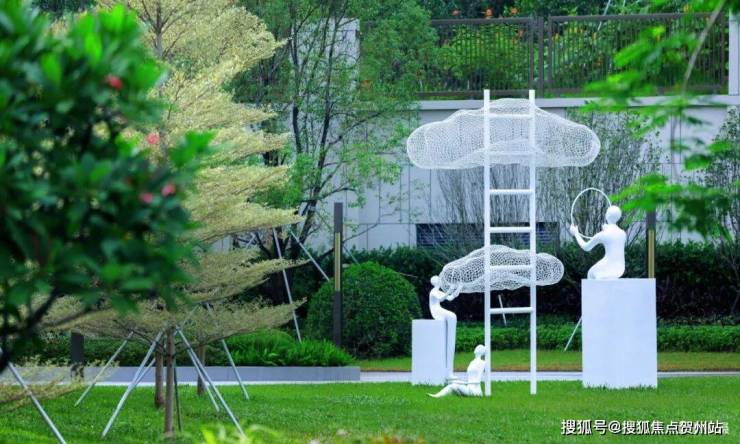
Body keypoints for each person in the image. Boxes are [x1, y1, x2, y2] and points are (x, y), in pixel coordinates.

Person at [569, 205, 626, 279]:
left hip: (608, 266)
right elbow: (614, 240)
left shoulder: (603, 234)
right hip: (620, 269)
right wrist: (607, 228)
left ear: (607, 215)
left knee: (591, 274)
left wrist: (576, 233)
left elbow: (586, 247)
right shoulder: (623, 234)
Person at [429, 275, 460, 381]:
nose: (441, 281)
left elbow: (450, 298)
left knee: (453, 316)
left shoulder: (438, 291)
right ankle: (449, 372)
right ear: (435, 282)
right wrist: (450, 289)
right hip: (436, 312)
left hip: (439, 310)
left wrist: (458, 288)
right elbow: (441, 299)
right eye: (439, 280)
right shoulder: (433, 292)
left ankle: (449, 372)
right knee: (452, 316)